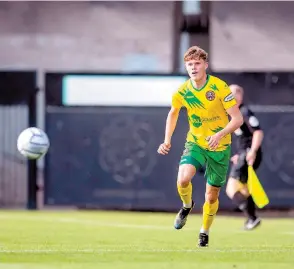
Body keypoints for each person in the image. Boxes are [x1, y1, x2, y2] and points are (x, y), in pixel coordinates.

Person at [157, 46, 243, 247]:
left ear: (205, 65)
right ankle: (187, 205)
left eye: (197, 63)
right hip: (195, 142)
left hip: (220, 147)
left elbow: (237, 119)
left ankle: (204, 231)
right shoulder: (182, 91)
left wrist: (220, 134)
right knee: (183, 178)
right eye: (189, 64)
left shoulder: (220, 87)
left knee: (211, 195)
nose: (193, 68)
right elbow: (173, 113)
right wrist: (167, 140)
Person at [226, 84, 264, 230]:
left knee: (231, 188)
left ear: (240, 96)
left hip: (249, 154)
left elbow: (258, 132)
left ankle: (252, 218)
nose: (231, 96)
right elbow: (244, 137)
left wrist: (251, 152)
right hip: (244, 153)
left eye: (235, 93)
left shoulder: (244, 111)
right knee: (243, 190)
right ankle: (252, 219)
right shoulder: (235, 113)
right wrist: (239, 154)